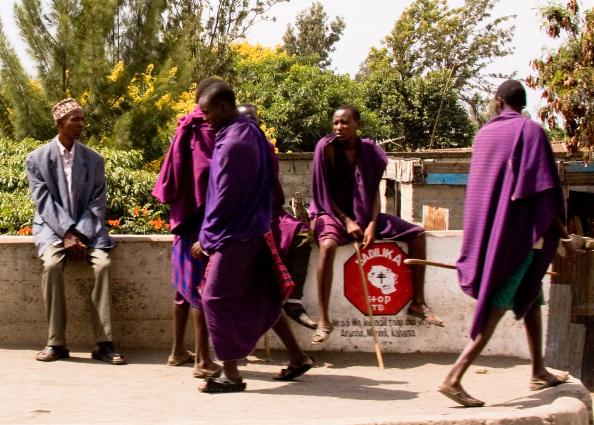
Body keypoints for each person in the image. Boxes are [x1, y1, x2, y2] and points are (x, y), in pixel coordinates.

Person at [438, 80, 574, 407]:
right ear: (520, 103)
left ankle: (538, 370)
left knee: (531, 296)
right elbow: (542, 190)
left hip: (491, 232)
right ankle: (454, 377)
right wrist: (562, 233)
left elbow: (482, 192)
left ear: (498, 102)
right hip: (520, 236)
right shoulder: (531, 132)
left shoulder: (483, 135)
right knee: (499, 304)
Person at [195, 81, 313, 393]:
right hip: (255, 228)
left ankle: (231, 374)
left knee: (212, 296)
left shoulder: (235, 143)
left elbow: (224, 197)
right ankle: (298, 357)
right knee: (261, 294)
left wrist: (206, 239)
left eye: (207, 112)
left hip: (235, 233)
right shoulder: (250, 134)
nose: (204, 118)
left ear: (223, 108)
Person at [309, 105, 442, 344]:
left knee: (417, 234)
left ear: (357, 124)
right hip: (330, 212)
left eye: (345, 122)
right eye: (336, 123)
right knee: (327, 246)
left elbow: (374, 193)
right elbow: (323, 194)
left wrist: (371, 224)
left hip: (362, 214)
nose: (339, 127)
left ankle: (418, 303)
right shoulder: (325, 148)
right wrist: (346, 221)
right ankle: (324, 319)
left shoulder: (369, 150)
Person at [26, 98, 126, 364]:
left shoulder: (94, 159)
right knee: (51, 266)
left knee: (103, 265)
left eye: (83, 118)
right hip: (51, 228)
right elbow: (43, 201)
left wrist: (79, 233)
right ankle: (56, 343)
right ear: (60, 123)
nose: (82, 124)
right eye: (76, 119)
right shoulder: (36, 159)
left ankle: (104, 343)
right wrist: (66, 234)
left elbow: (98, 201)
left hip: (89, 228)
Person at [152, 79, 222, 378]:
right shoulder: (205, 130)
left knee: (183, 290)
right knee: (200, 289)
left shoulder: (187, 126)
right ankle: (202, 360)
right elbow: (208, 176)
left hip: (183, 221)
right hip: (202, 220)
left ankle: (177, 350)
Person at [237, 103, 316, 330]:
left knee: (302, 235)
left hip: (270, 213)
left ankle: (293, 301)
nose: (251, 127)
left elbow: (273, 189)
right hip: (244, 218)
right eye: (245, 122)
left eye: (254, 122)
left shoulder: (266, 147)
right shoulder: (230, 149)